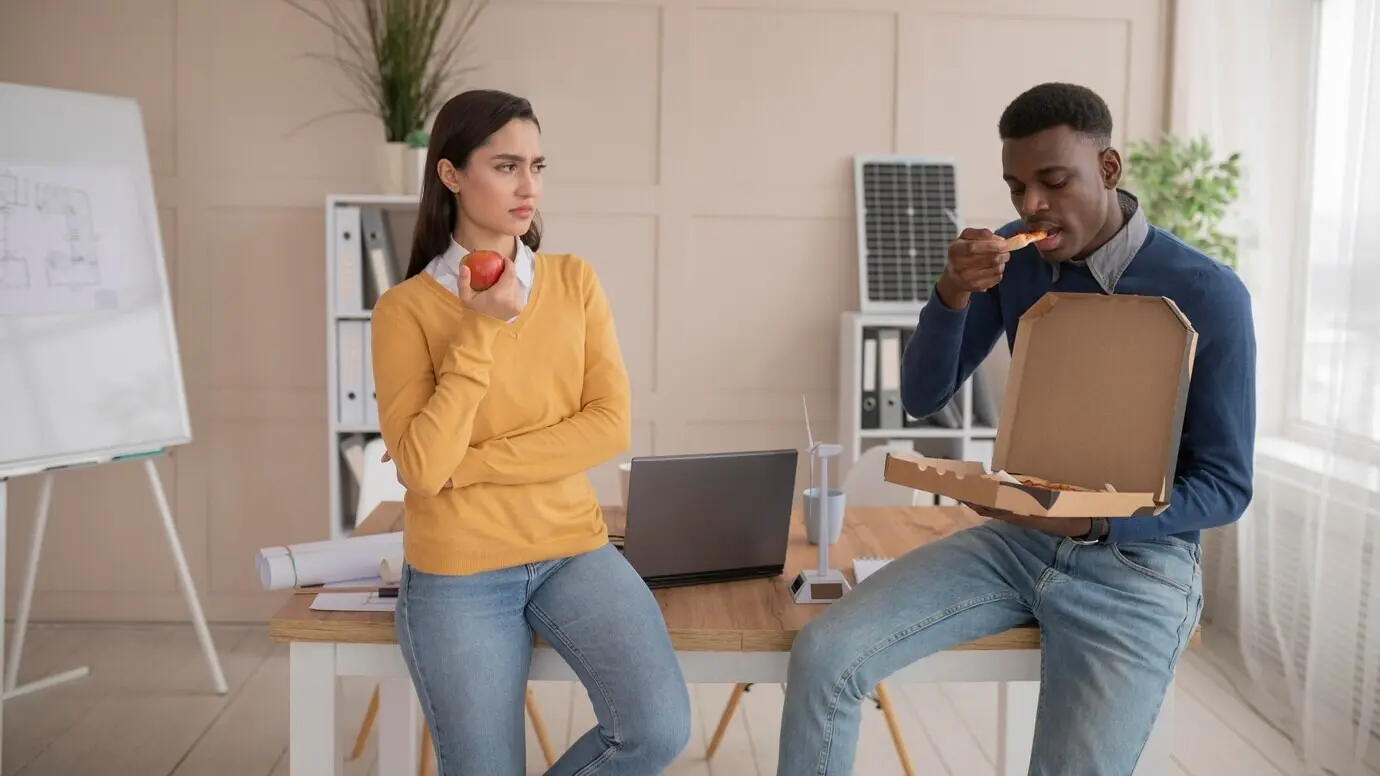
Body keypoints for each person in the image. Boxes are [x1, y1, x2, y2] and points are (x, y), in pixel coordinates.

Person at [777, 82, 1256, 775]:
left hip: (1137, 568)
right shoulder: (1012, 261)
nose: (1031, 206)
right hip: (1017, 541)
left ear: (1109, 169)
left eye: (1053, 182)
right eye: (1016, 187)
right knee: (823, 656)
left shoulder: (1210, 292)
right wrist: (951, 292)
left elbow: (1227, 487)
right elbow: (920, 394)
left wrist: (1096, 525)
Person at [370, 88, 690, 776]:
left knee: (657, 728)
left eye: (537, 167)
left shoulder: (574, 282)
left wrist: (469, 466)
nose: (528, 187)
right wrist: (483, 328)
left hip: (573, 550)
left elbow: (608, 427)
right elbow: (423, 467)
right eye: (507, 166)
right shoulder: (405, 310)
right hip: (458, 572)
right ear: (452, 175)